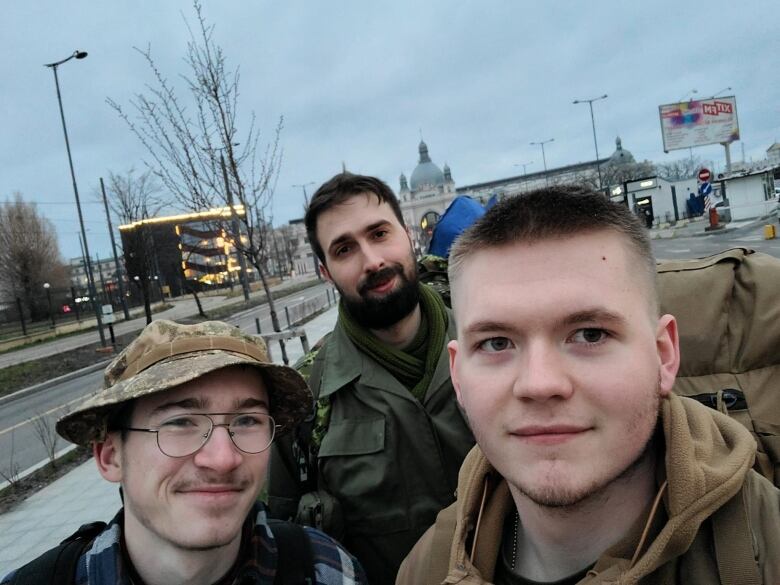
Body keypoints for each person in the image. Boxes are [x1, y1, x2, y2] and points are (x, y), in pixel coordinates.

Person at [398, 186, 780, 584]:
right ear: (458, 374)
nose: (540, 383)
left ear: (664, 355)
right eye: (497, 343)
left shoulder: (766, 551)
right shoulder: (424, 569)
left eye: (590, 335)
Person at [2, 320, 366, 585]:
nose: (223, 458)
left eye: (246, 421)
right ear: (111, 456)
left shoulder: (329, 571)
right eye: (179, 423)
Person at [268, 172, 475, 585]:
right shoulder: (303, 399)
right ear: (326, 273)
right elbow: (278, 539)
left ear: (410, 235)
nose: (372, 260)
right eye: (345, 249)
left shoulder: (495, 340)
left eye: (380, 233)